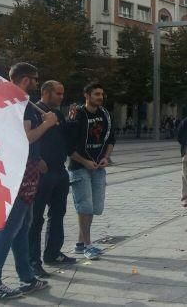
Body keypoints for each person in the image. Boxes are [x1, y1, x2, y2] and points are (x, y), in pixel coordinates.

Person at [0, 63, 51, 300]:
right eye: (34, 79)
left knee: (22, 226)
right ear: (24, 80)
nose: (37, 83)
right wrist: (47, 124)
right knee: (10, 228)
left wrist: (37, 158)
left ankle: (27, 278)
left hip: (26, 170)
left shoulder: (18, 102)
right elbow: (24, 137)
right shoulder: (17, 105)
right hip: (17, 175)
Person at [29, 80, 78, 279]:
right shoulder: (34, 111)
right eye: (58, 93)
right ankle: (33, 262)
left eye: (62, 93)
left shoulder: (57, 114)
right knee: (36, 218)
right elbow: (28, 137)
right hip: (42, 171)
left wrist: (71, 121)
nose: (61, 97)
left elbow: (65, 137)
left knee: (58, 213)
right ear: (46, 92)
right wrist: (36, 158)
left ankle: (53, 252)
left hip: (59, 170)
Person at [68, 82, 115, 261]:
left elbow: (111, 139)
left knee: (95, 207)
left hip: (98, 167)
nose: (100, 97)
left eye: (102, 94)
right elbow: (69, 146)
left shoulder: (106, 115)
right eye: (96, 94)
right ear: (86, 96)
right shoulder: (77, 115)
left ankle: (81, 243)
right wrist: (84, 161)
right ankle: (88, 245)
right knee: (84, 206)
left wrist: (106, 157)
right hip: (80, 167)